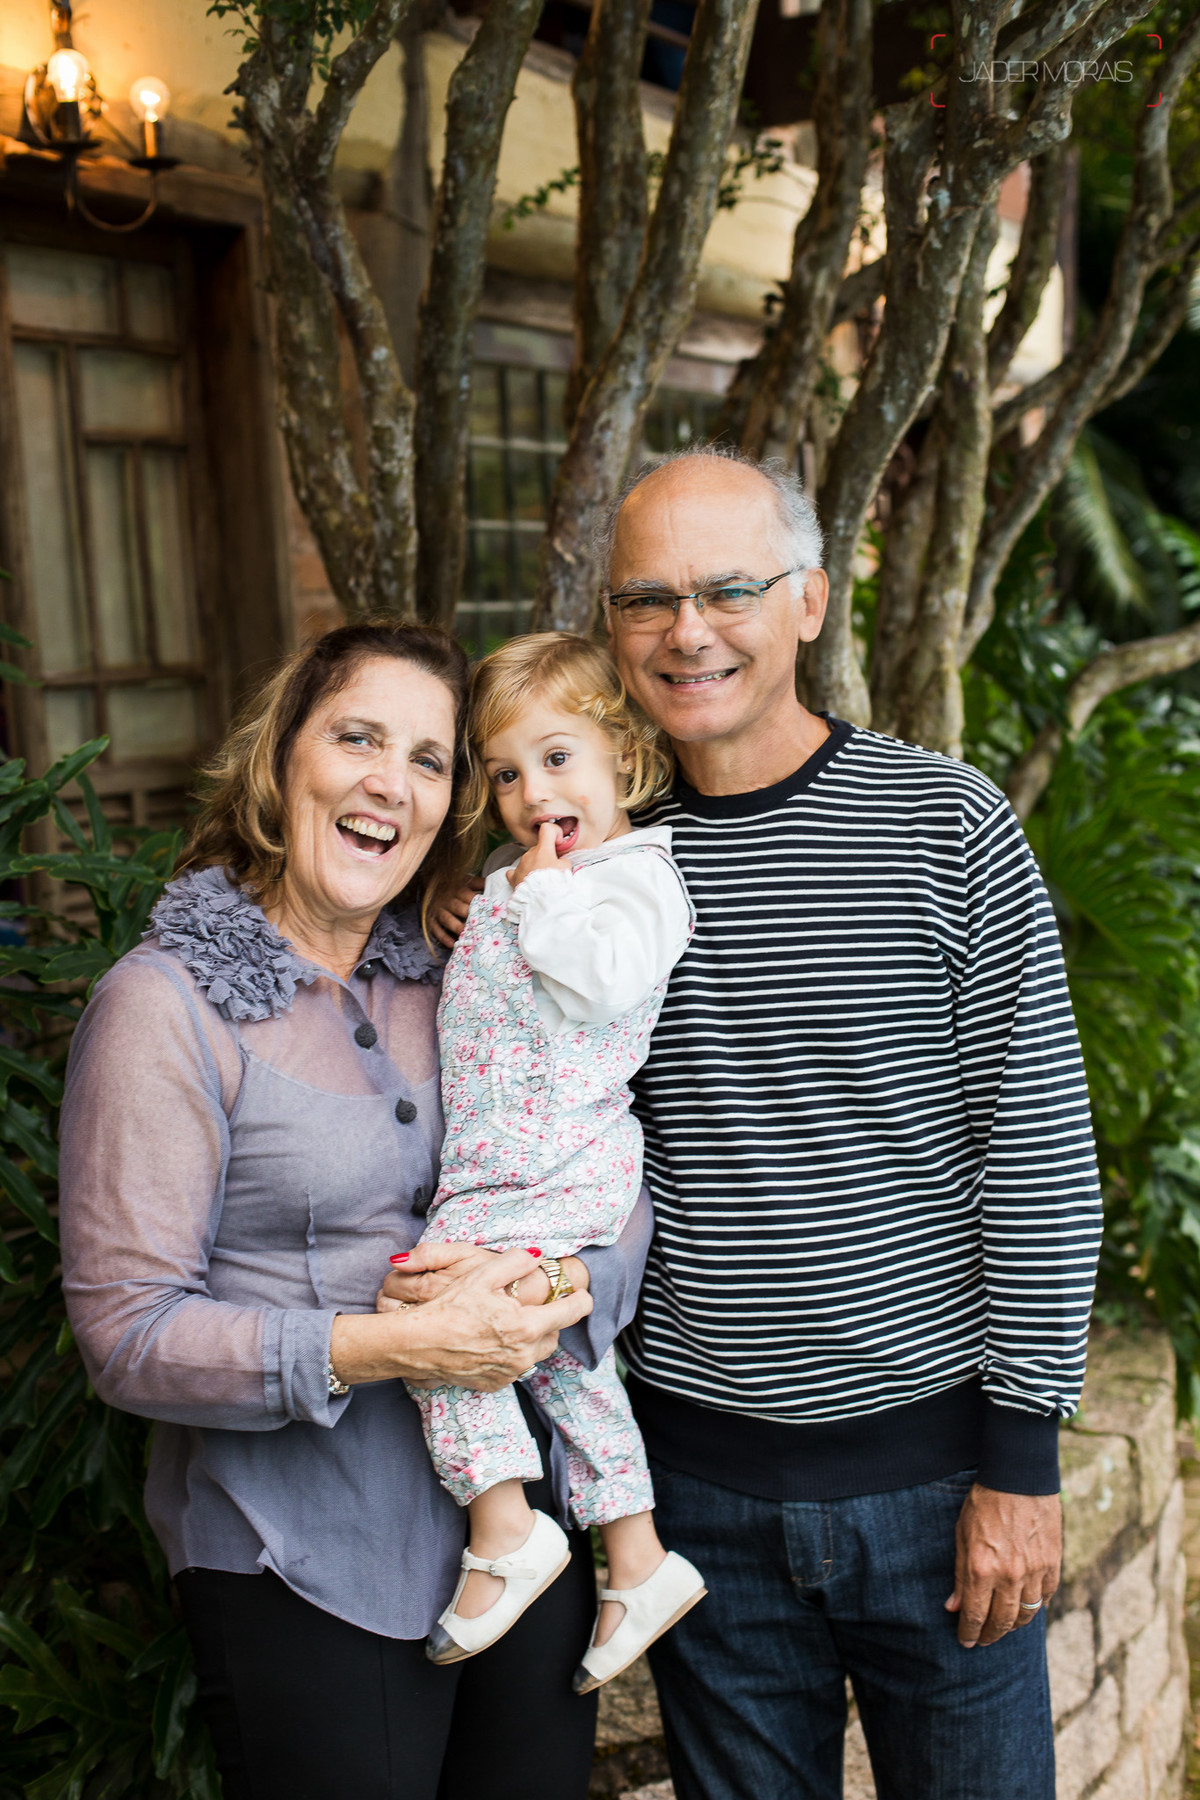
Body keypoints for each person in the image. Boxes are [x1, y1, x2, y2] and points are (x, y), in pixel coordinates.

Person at [58, 620, 654, 1800]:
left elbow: (595, 1150)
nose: (392, 780)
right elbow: (127, 1336)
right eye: (358, 737)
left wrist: (566, 1282)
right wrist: (390, 1348)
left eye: (431, 759)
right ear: (286, 755)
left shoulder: (469, 968)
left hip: (517, 1540)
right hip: (298, 1559)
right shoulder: (166, 1010)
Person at [601, 447, 1103, 1800]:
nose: (686, 630)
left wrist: (1021, 1465)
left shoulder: (946, 825)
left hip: (941, 1495)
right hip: (699, 1502)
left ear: (810, 602)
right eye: (647, 598)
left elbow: (1043, 1154)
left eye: (728, 590)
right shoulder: (596, 870)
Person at [410, 633, 705, 1692]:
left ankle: (503, 1522)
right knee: (563, 1362)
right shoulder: (533, 875)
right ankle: (637, 1554)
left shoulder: (636, 879)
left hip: (551, 1161)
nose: (534, 792)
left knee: (426, 1313)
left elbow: (600, 980)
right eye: (505, 773)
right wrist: (475, 900)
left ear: (623, 756)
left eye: (559, 758)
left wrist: (528, 894)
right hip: (510, 1163)